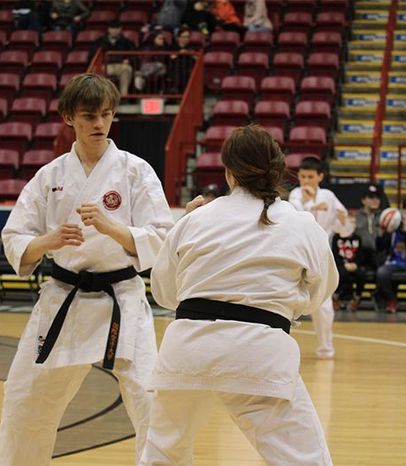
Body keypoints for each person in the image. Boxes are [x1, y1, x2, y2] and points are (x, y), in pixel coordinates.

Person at [0, 74, 174, 466]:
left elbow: (162, 236)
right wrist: (49, 241)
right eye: (89, 115)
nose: (99, 124)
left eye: (106, 115)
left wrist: (112, 228)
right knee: (24, 396)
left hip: (121, 300)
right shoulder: (51, 176)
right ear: (68, 118)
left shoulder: (135, 171)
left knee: (151, 399)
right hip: (64, 299)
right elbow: (15, 236)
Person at [141, 125, 337, 466]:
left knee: (163, 455)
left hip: (188, 348)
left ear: (228, 172)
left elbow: (165, 293)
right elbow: (321, 290)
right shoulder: (300, 223)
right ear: (277, 170)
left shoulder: (195, 219)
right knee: (304, 459)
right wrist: (286, 306)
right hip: (260, 350)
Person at [288, 156, 347, 359]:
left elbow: (342, 229)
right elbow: (295, 218)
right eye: (303, 176)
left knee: (323, 304)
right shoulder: (296, 195)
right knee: (288, 300)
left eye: (310, 176)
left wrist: (342, 220)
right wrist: (310, 204)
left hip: (321, 255)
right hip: (297, 253)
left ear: (320, 176)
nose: (306, 180)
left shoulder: (329, 196)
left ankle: (325, 348)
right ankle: (280, 347)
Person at [93, 21, 135, 96]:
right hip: (105, 65)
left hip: (120, 65)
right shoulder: (100, 42)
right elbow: (93, 56)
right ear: (108, 29)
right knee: (98, 71)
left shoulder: (126, 42)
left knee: (127, 69)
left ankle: (123, 96)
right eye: (112, 28)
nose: (114, 30)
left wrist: (128, 59)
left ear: (120, 29)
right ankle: (104, 97)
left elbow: (133, 55)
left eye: (117, 28)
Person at [331, 227, 367, 312]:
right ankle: (335, 297)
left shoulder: (357, 238)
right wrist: (344, 264)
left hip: (354, 264)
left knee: (362, 274)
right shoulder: (336, 237)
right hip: (341, 264)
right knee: (342, 273)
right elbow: (334, 255)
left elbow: (361, 255)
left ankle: (357, 298)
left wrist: (356, 264)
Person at [354, 183, 383, 267]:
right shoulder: (355, 216)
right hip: (359, 254)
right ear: (363, 200)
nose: (375, 200)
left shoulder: (383, 216)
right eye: (371, 197)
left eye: (377, 198)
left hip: (377, 254)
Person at [169, 26, 197, 92]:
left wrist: (190, 53)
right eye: (184, 37)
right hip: (175, 68)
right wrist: (179, 53)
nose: (186, 39)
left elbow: (198, 58)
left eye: (187, 37)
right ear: (178, 38)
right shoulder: (173, 47)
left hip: (188, 68)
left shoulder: (192, 47)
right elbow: (170, 57)